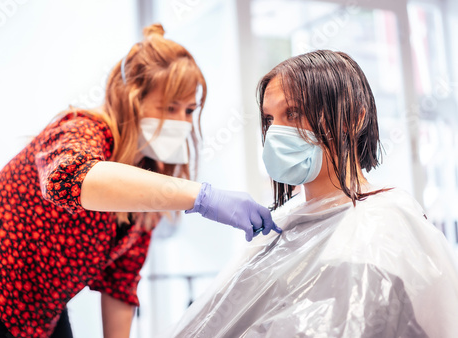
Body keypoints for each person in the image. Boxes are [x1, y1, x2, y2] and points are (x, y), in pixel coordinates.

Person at [0, 23, 281, 338]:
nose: (182, 122)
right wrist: (203, 198)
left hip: (41, 312)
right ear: (132, 98)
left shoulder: (148, 179)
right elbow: (70, 179)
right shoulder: (79, 130)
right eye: (170, 107)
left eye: (189, 110)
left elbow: (120, 282)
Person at [163, 50, 458, 337]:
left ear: (353, 119)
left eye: (293, 113)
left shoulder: (385, 224)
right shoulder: (280, 225)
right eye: (269, 119)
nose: (276, 132)